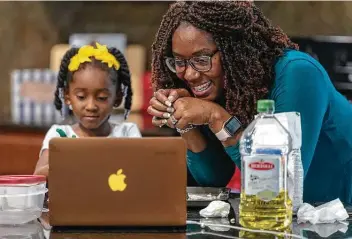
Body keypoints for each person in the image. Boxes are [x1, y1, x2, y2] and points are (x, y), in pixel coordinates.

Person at [148, 1, 352, 204]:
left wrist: (217, 117)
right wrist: (185, 122)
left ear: (232, 51)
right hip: (297, 220)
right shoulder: (226, 86)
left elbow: (277, 186)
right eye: (179, 62)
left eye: (202, 59)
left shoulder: (297, 73)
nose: (190, 74)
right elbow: (214, 179)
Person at [34, 43, 141, 176]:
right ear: (67, 96)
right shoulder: (59, 134)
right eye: (81, 97)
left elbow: (139, 174)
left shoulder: (127, 133)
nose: (91, 106)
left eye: (102, 98)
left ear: (117, 98)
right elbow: (39, 176)